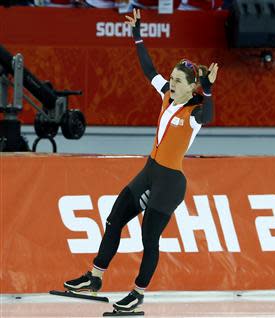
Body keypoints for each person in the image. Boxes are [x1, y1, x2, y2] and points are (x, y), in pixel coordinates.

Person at [63, 8, 218, 313]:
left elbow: (211, 115)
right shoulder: (166, 97)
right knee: (114, 217)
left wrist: (210, 90)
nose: (171, 83)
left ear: (191, 86)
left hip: (171, 181)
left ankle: (137, 293)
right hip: (150, 171)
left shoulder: (195, 112)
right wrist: (136, 34)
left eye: (177, 81)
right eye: (171, 79)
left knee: (149, 238)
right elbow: (149, 70)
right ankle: (94, 278)